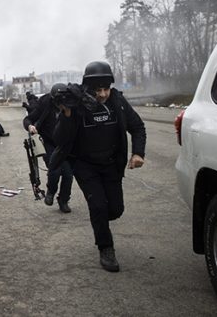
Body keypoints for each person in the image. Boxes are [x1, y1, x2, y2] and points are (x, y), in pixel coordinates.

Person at [51, 61, 146, 272]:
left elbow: (137, 127)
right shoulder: (76, 105)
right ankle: (106, 248)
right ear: (88, 88)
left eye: (106, 89)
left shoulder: (118, 102)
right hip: (86, 166)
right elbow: (59, 138)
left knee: (115, 209)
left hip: (112, 164)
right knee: (98, 206)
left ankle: (101, 220)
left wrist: (138, 153)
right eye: (98, 90)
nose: (102, 94)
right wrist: (66, 116)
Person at [23, 83, 74, 213]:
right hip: (48, 142)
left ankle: (63, 200)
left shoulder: (71, 105)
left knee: (68, 174)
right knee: (55, 169)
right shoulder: (45, 103)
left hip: (65, 144)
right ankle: (51, 191)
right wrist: (30, 126)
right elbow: (28, 119)